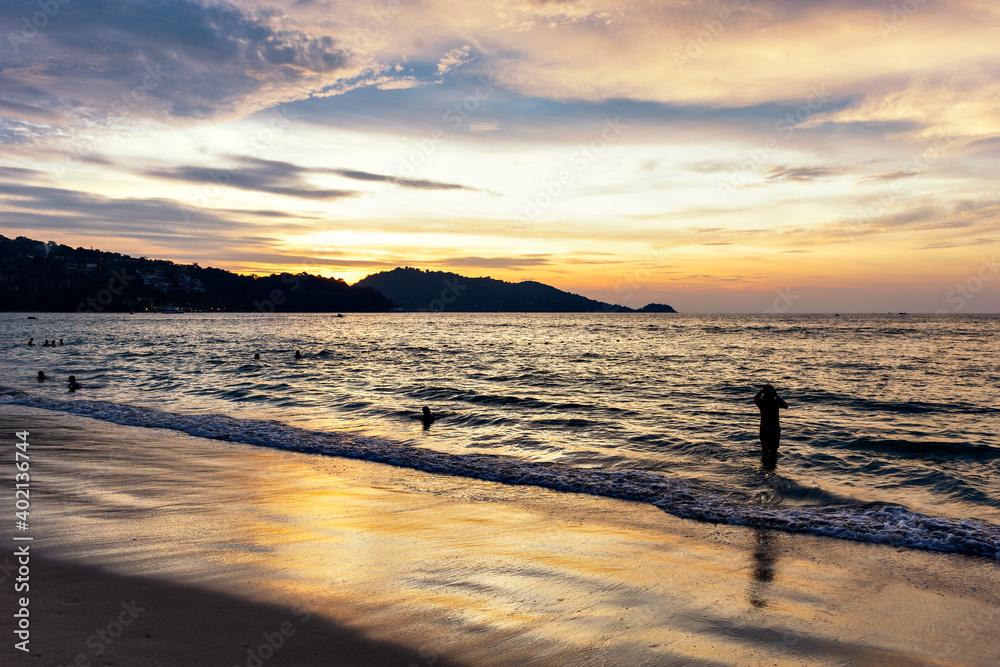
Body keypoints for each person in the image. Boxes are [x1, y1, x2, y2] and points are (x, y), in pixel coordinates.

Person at [754, 383, 788, 456]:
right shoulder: (776, 402)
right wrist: (776, 395)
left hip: (764, 428)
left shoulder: (762, 402)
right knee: (774, 450)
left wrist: (762, 391)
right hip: (774, 428)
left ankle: (764, 465)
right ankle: (772, 465)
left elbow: (755, 398)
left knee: (764, 449)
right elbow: (785, 406)